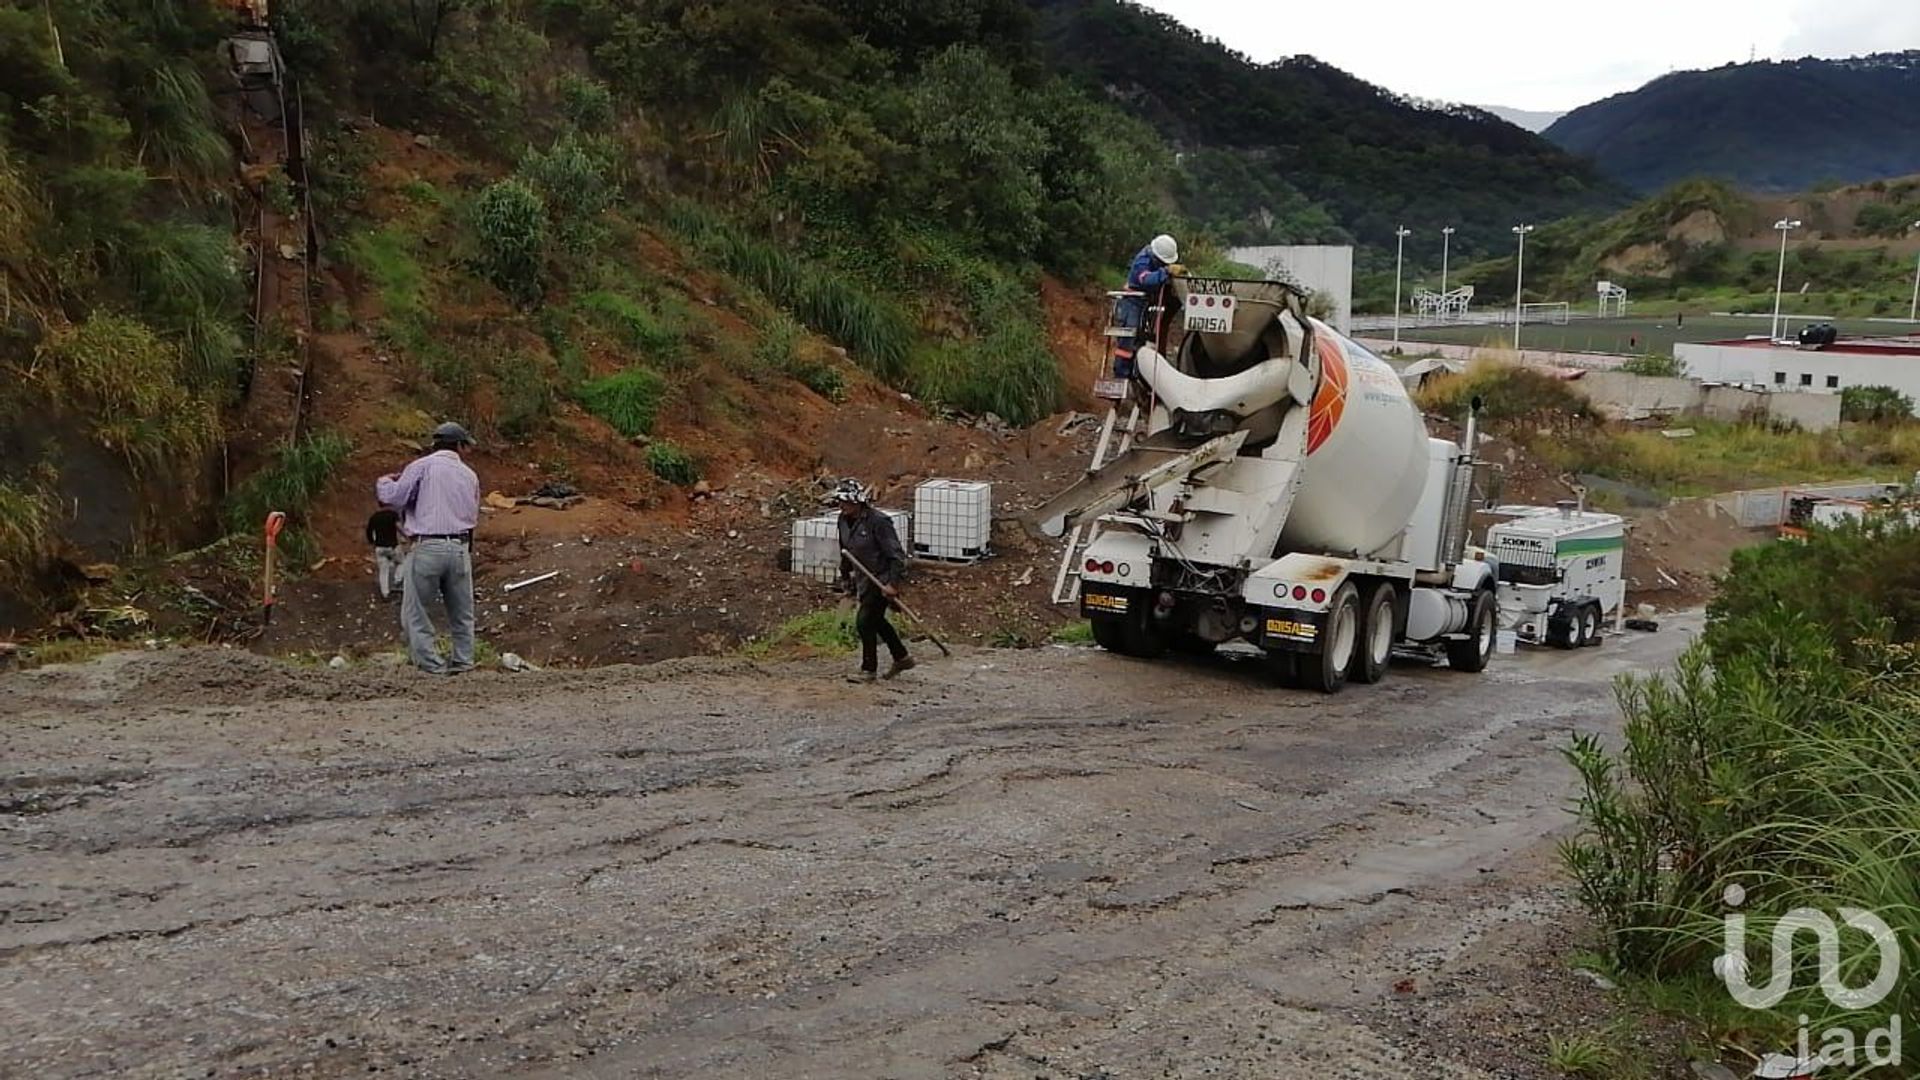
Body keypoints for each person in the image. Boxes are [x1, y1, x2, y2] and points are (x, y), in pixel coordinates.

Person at [376, 422, 480, 674]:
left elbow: (393, 498)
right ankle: (463, 661)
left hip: (427, 546)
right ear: (457, 445)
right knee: (462, 611)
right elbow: (472, 512)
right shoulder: (469, 475)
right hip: (459, 547)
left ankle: (431, 666)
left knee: (417, 611)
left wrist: (384, 482)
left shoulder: (422, 466)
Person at [833, 478, 913, 683]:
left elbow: (896, 556)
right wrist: (846, 581)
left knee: (865, 621)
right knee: (876, 620)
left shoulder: (879, 522)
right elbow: (846, 552)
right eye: (839, 502)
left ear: (857, 502)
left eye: (845, 502)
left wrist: (892, 584)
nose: (841, 506)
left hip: (881, 579)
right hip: (863, 578)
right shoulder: (843, 521)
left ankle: (869, 670)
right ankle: (901, 657)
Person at [1114, 234, 1184, 378]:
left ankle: (1138, 371)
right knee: (1128, 337)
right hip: (1132, 302)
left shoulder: (1156, 261)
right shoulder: (1143, 260)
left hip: (1146, 302)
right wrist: (1165, 272)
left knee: (1143, 338)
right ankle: (1121, 374)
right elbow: (1145, 280)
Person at [365, 503, 404, 600]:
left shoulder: (374, 517)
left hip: (379, 547)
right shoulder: (392, 514)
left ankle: (385, 593)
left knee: (383, 570)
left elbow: (369, 532)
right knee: (402, 562)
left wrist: (372, 542)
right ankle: (397, 580)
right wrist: (408, 536)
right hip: (392, 546)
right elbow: (399, 527)